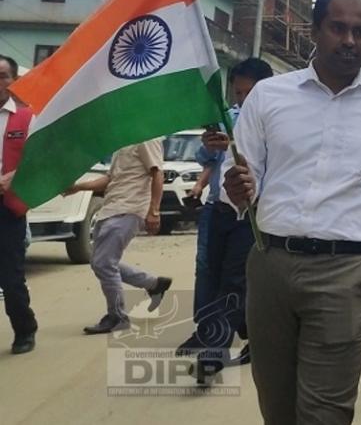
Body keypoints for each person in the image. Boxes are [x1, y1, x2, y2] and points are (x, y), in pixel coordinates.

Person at [224, 0, 361, 425]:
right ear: (315, 31)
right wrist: (237, 190)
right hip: (270, 263)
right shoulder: (268, 96)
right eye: (338, 28)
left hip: (346, 271)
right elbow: (241, 181)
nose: (349, 40)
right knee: (276, 404)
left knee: (325, 412)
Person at [181, 57, 274, 379]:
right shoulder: (227, 117)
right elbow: (203, 157)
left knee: (236, 278)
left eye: (249, 93)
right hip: (217, 208)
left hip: (252, 213)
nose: (242, 99)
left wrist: (236, 144)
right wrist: (211, 146)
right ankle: (212, 331)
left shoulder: (276, 122)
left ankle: (213, 353)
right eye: (238, 92)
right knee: (208, 272)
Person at [72, 138, 173, 334]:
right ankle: (154, 284)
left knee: (104, 263)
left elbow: (157, 173)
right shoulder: (122, 141)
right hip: (111, 207)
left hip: (129, 208)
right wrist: (78, 187)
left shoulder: (146, 138)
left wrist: (154, 210)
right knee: (101, 262)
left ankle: (117, 316)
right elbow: (111, 178)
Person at [0, 55, 37, 354]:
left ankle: (25, 329)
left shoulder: (26, 117)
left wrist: (17, 175)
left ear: (14, 81)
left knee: (10, 278)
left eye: (2, 76)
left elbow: (42, 158)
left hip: (7, 209)